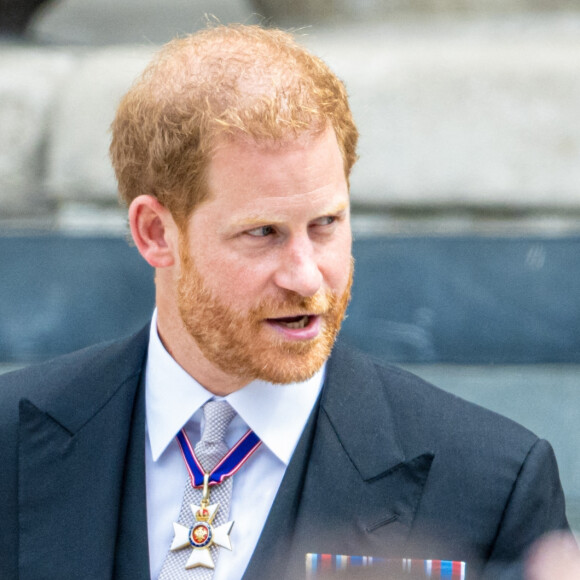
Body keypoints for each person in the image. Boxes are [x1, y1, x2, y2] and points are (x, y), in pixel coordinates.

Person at [0, 24, 570, 580]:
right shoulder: (12, 443)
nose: (306, 277)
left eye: (325, 224)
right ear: (155, 233)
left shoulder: (489, 483)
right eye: (263, 233)